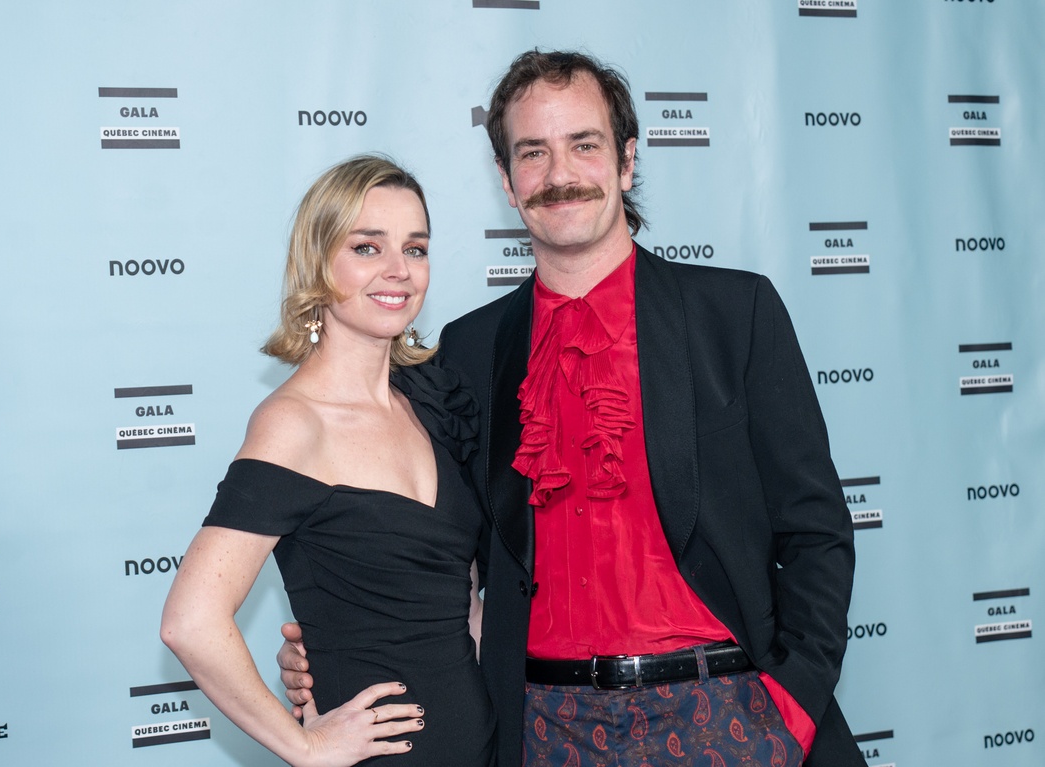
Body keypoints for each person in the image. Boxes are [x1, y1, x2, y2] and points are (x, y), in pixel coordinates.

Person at [280, 51, 865, 767]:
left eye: (584, 144)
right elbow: (431, 551)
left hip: (727, 712)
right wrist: (338, 643)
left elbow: (817, 530)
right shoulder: (467, 351)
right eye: (534, 152)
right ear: (506, 180)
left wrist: (792, 708)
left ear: (625, 160)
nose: (560, 174)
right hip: (542, 727)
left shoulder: (734, 314)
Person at [161, 155, 496, 766]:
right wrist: (306, 747)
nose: (399, 271)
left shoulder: (433, 403)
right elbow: (191, 620)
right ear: (319, 262)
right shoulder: (294, 423)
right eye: (368, 248)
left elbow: (458, 605)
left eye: (415, 249)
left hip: (482, 746)